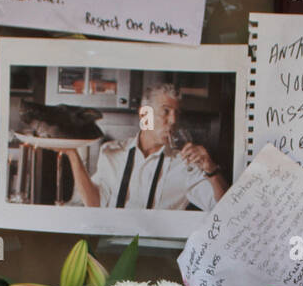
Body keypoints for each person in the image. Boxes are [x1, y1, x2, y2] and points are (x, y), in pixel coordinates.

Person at [65, 82, 228, 211]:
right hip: (107, 246)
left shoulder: (185, 163)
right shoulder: (111, 152)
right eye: (165, 111)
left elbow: (224, 210)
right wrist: (72, 153)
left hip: (158, 251)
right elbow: (94, 203)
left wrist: (211, 169)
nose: (173, 120)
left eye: (176, 113)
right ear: (144, 115)